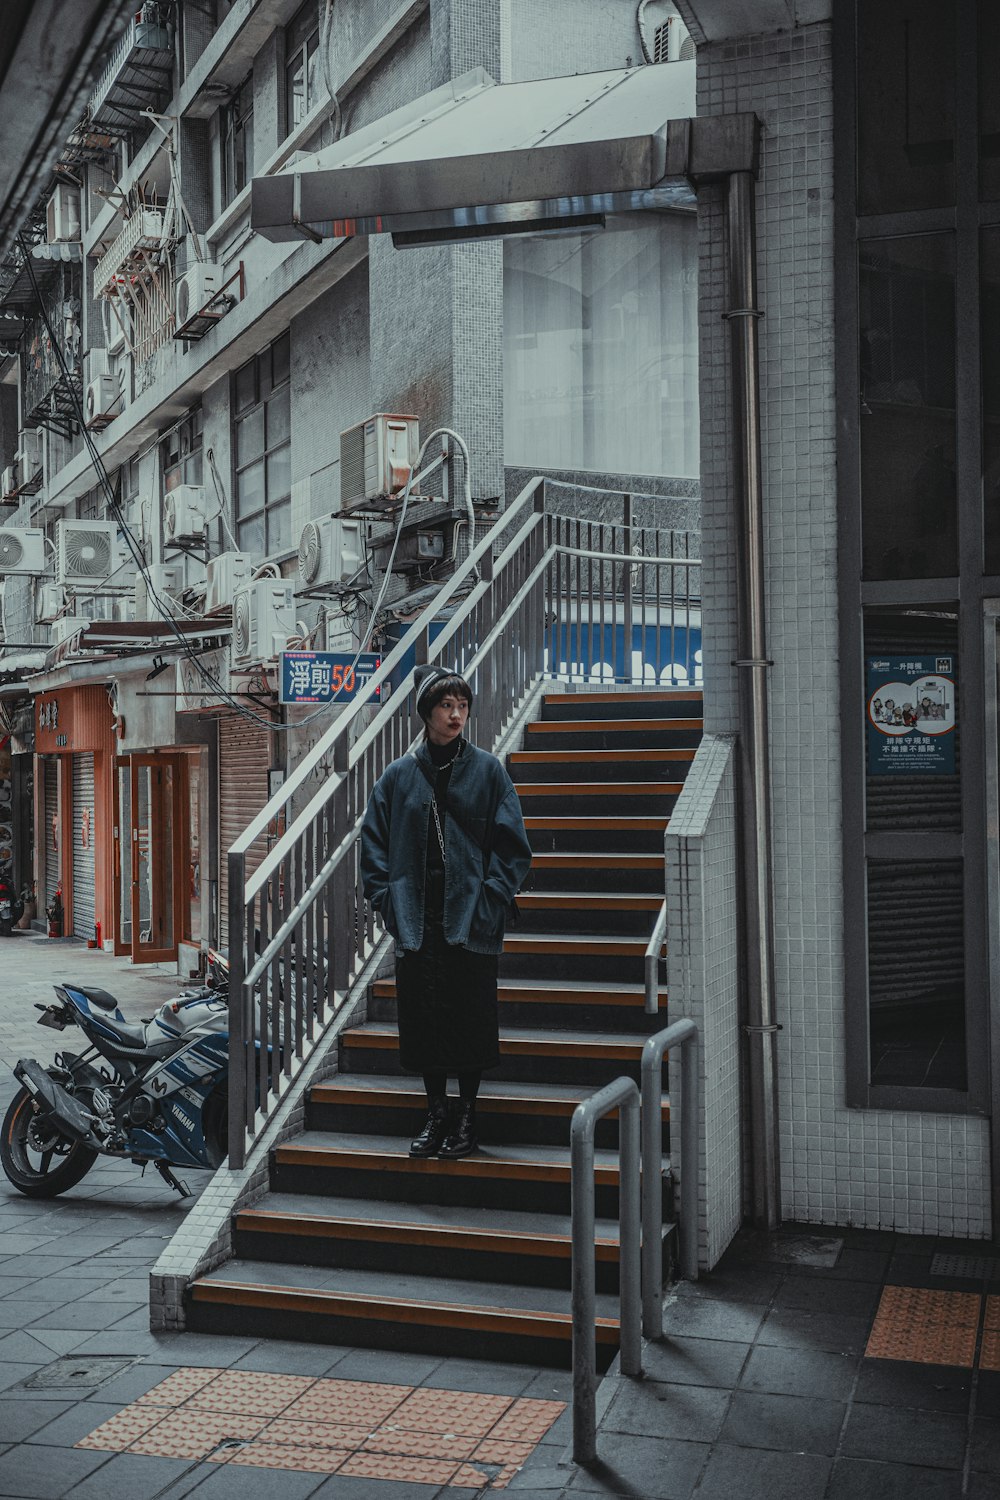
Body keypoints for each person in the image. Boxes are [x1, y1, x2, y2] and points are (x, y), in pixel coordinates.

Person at [359, 665, 532, 1159]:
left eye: (462, 706)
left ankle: (468, 1117)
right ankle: (437, 1113)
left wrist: (492, 898)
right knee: (425, 1022)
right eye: (445, 706)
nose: (456, 715)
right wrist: (387, 901)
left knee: (470, 1021)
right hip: (417, 919)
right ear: (426, 714)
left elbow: (513, 848)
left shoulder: (488, 770)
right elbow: (371, 847)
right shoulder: (398, 776)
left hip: (470, 919)